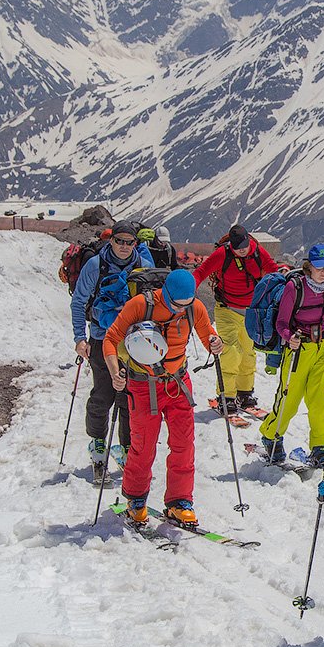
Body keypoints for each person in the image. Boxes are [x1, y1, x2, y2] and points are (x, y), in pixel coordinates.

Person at [103, 269, 222, 528]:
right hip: (144, 386)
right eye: (175, 304)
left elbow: (207, 336)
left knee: (183, 444)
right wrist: (115, 373)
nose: (181, 310)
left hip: (178, 383)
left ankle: (180, 502)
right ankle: (135, 501)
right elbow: (111, 339)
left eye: (186, 305)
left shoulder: (194, 308)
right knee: (143, 446)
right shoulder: (140, 305)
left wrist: (215, 343)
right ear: (164, 293)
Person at [70, 220, 153, 482]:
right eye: (120, 241)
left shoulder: (144, 267)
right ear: (111, 240)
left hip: (133, 341)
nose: (124, 247)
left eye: (130, 242)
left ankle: (126, 447)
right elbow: (79, 301)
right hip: (101, 337)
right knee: (103, 394)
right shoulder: (95, 265)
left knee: (129, 397)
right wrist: (79, 338)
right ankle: (98, 444)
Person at [260, 244, 324, 464]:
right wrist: (289, 336)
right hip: (299, 349)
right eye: (319, 267)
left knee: (323, 398)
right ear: (309, 267)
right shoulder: (295, 288)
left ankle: (320, 447)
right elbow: (281, 322)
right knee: (289, 399)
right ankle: (271, 437)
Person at [192, 224, 279, 411]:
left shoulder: (257, 252)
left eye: (244, 247)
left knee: (248, 353)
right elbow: (201, 272)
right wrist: (187, 291)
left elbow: (272, 269)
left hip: (251, 312)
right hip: (227, 310)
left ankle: (245, 393)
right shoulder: (222, 254)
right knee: (230, 352)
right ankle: (227, 396)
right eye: (237, 248)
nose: (241, 251)